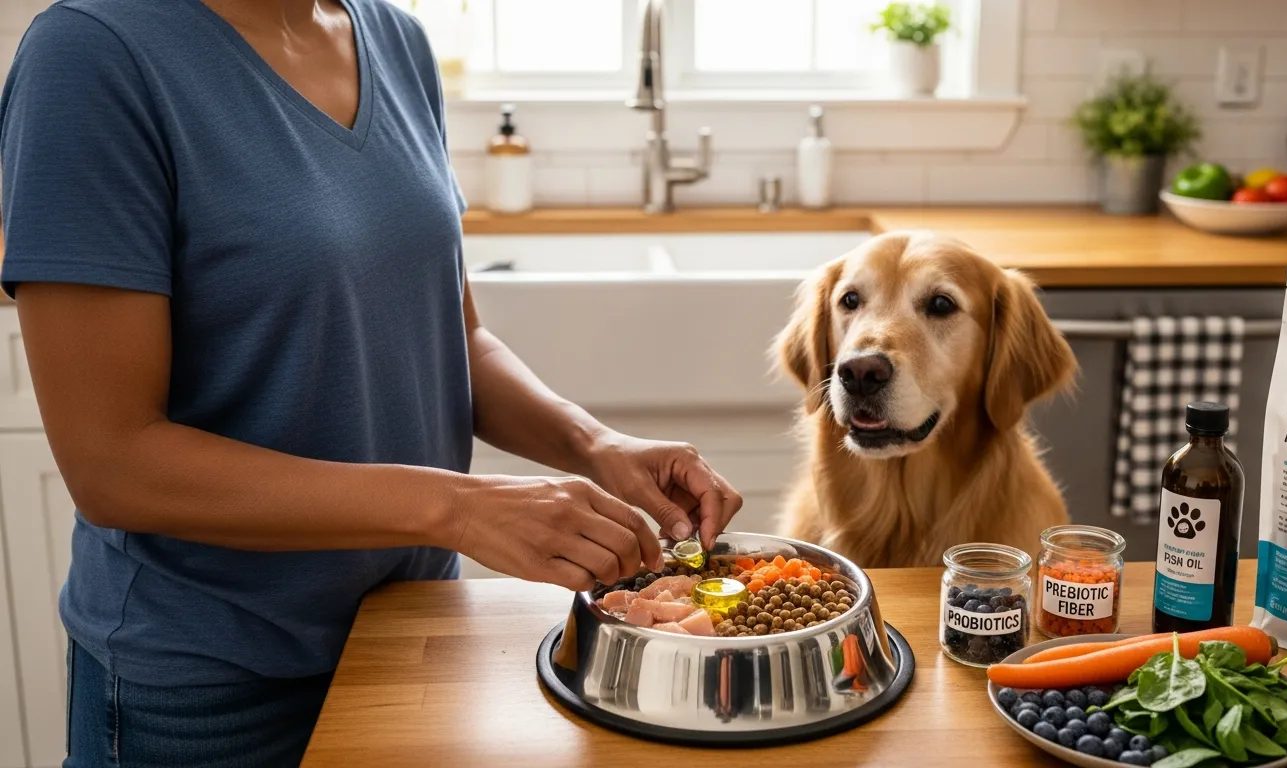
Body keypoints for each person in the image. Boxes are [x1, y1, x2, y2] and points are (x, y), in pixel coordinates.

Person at [0, 0, 742, 765]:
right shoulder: (93, 54)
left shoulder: (395, 40)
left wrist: (595, 445)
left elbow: (458, 340)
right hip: (212, 683)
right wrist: (457, 507)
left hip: (407, 632)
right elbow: (112, 462)